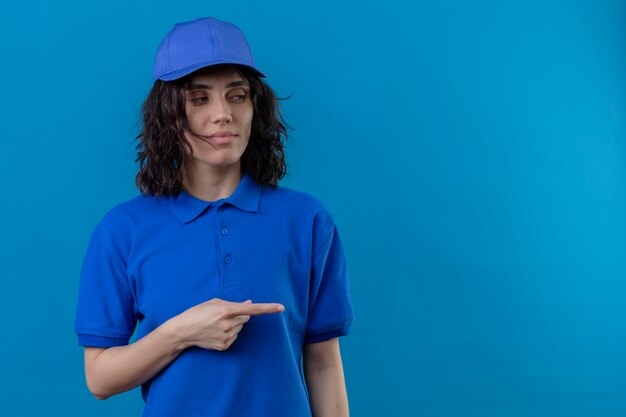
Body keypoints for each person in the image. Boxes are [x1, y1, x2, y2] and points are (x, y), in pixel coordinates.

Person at [73, 16, 355, 417]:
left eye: (237, 95)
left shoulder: (307, 220)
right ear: (169, 114)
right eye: (199, 98)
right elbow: (99, 379)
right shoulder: (121, 231)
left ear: (255, 107)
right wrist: (181, 332)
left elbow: (324, 363)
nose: (223, 114)